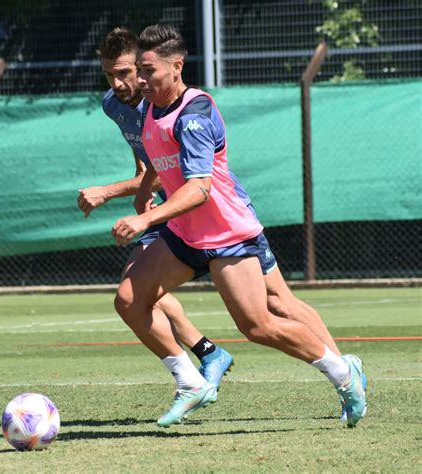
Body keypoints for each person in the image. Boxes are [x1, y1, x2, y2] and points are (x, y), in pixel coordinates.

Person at [79, 27, 366, 422]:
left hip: (225, 232)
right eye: (134, 72)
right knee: (129, 299)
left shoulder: (195, 115)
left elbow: (198, 189)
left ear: (176, 66)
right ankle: (191, 380)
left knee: (260, 323)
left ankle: (343, 372)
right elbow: (154, 161)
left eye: (145, 71)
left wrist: (142, 214)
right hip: (183, 231)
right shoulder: (147, 108)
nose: (137, 81)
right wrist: (144, 190)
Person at [77, 27, 234, 393]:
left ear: (143, 67)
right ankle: (208, 354)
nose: (117, 83)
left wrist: (109, 191)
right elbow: (145, 156)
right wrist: (141, 186)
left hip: (185, 206)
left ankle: (203, 362)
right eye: (108, 74)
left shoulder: (160, 103)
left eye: (125, 73)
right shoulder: (112, 105)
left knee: (136, 293)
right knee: (139, 292)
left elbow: (173, 172)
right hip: (155, 203)